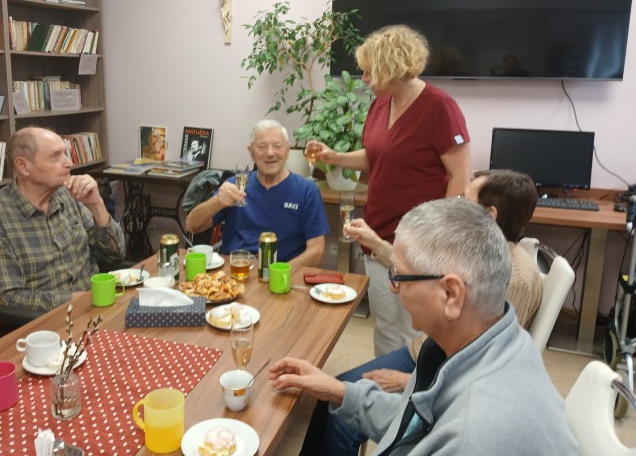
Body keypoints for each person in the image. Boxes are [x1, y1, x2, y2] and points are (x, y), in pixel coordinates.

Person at [270, 198, 577, 455]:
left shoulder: (475, 434)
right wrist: (339, 391)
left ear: (451, 295)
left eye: (399, 276)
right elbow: (416, 420)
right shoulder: (481, 343)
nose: (393, 287)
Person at [308, 24, 472, 355]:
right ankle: (385, 392)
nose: (364, 79)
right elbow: (376, 155)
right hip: (378, 233)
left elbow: (460, 175)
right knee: (386, 325)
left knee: (417, 331)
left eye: (369, 72)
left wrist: (438, 235)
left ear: (389, 68)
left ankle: (413, 394)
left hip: (421, 243)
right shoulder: (381, 105)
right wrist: (335, 156)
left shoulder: (440, 107)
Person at [0, 127, 126, 312]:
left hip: (98, 305)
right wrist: (74, 299)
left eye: (66, 154)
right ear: (23, 166)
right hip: (47, 325)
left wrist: (96, 204)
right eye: (55, 156)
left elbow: (115, 255)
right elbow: (4, 299)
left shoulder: (67, 196)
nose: (68, 163)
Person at [185, 119, 328, 267]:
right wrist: (216, 202)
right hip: (235, 272)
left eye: (277, 146)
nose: (270, 153)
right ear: (251, 152)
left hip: (284, 276)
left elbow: (317, 251)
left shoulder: (306, 191)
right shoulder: (234, 185)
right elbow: (192, 225)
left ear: (287, 151)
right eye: (262, 147)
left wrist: (280, 273)